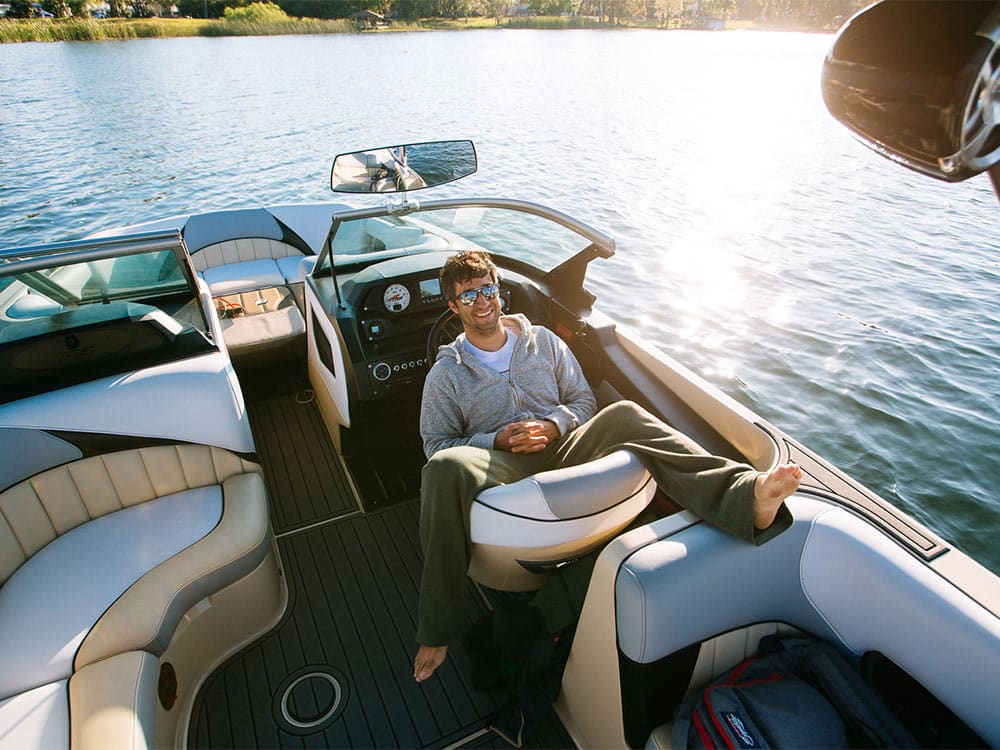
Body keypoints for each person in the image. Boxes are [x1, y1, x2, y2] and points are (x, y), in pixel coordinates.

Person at [413, 250, 802, 683]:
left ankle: (745, 498)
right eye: (468, 295)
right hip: (499, 463)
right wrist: (496, 439)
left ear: (498, 290)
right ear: (453, 305)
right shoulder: (446, 374)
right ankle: (438, 630)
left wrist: (553, 424)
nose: (482, 301)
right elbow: (436, 443)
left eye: (487, 289)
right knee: (443, 468)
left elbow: (583, 402)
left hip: (563, 447)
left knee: (626, 415)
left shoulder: (543, 341)